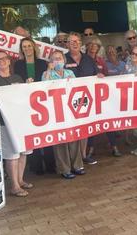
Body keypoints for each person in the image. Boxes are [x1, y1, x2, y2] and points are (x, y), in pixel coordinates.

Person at [0, 51, 33, 196]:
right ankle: (15, 186)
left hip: (20, 120)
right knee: (12, 154)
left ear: (9, 61)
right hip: (3, 121)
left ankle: (21, 180)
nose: (2, 61)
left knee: (23, 151)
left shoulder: (17, 78)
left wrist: (29, 86)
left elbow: (25, 98)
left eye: (4, 59)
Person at [13, 37, 54, 175]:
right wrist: (24, 82)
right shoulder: (17, 64)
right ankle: (36, 166)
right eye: (24, 46)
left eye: (29, 46)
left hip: (43, 102)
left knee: (46, 133)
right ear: (21, 49)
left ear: (34, 47)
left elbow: (48, 80)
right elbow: (16, 81)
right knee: (32, 133)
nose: (27, 49)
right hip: (26, 102)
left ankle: (50, 164)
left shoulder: (43, 63)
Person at [42, 50, 86, 179]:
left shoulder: (70, 73)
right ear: (50, 62)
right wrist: (49, 71)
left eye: (60, 58)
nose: (58, 61)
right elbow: (44, 87)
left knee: (73, 137)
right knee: (60, 140)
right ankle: (64, 168)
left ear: (64, 60)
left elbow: (76, 88)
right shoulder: (46, 74)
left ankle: (77, 165)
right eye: (54, 59)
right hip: (56, 111)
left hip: (70, 109)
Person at [65, 32, 102, 165]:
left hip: (87, 99)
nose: (74, 43)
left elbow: (96, 74)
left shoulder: (88, 59)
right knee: (72, 129)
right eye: (71, 41)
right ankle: (74, 158)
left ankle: (83, 155)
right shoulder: (63, 59)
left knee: (85, 129)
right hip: (68, 101)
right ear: (67, 44)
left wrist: (100, 76)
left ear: (80, 44)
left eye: (77, 41)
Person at [84, 37, 122, 157]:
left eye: (96, 45)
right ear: (87, 46)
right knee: (91, 123)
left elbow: (107, 76)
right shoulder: (83, 59)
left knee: (107, 120)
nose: (93, 47)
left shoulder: (101, 61)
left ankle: (114, 146)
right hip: (88, 95)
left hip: (101, 96)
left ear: (99, 48)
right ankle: (90, 148)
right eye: (91, 44)